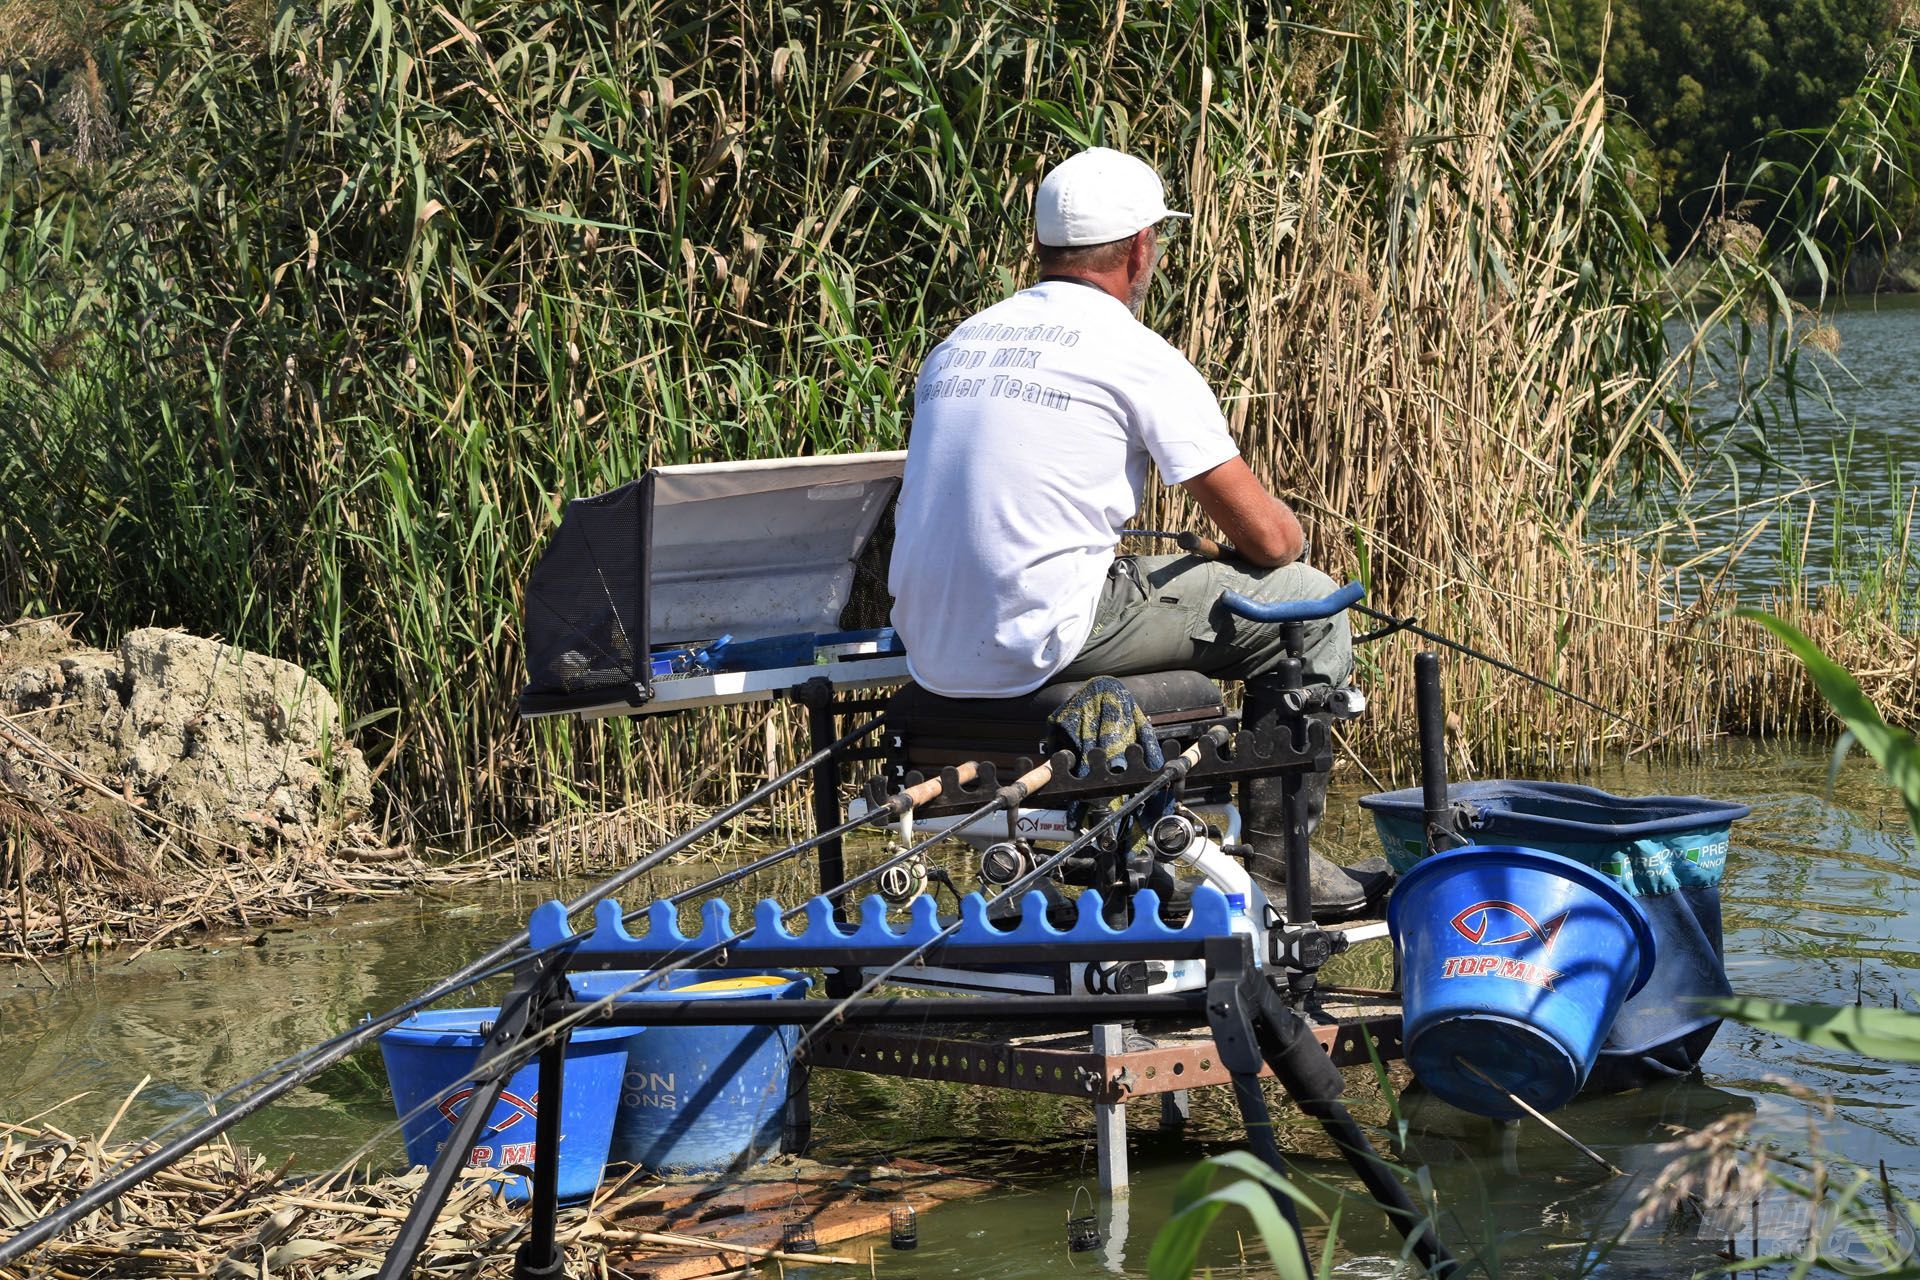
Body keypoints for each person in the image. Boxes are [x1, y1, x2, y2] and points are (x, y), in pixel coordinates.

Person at [887, 146, 1390, 921]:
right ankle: (1280, 861)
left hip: (934, 644)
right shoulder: (1131, 351)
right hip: (1050, 636)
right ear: (1138, 248)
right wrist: (1277, 540)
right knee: (1311, 601)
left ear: (1044, 247)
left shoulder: (960, 344)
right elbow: (1273, 541)